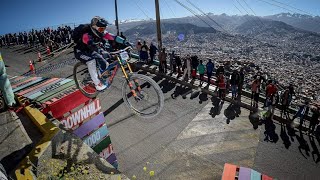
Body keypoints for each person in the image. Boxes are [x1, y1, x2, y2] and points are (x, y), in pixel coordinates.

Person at [73, 16, 130, 91]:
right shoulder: (87, 34)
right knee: (91, 61)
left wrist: (124, 41)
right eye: (101, 29)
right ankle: (97, 84)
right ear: (94, 27)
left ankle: (99, 76)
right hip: (80, 51)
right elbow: (87, 40)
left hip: (91, 50)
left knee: (105, 63)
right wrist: (93, 45)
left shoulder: (100, 32)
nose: (103, 31)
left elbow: (113, 37)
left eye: (104, 28)